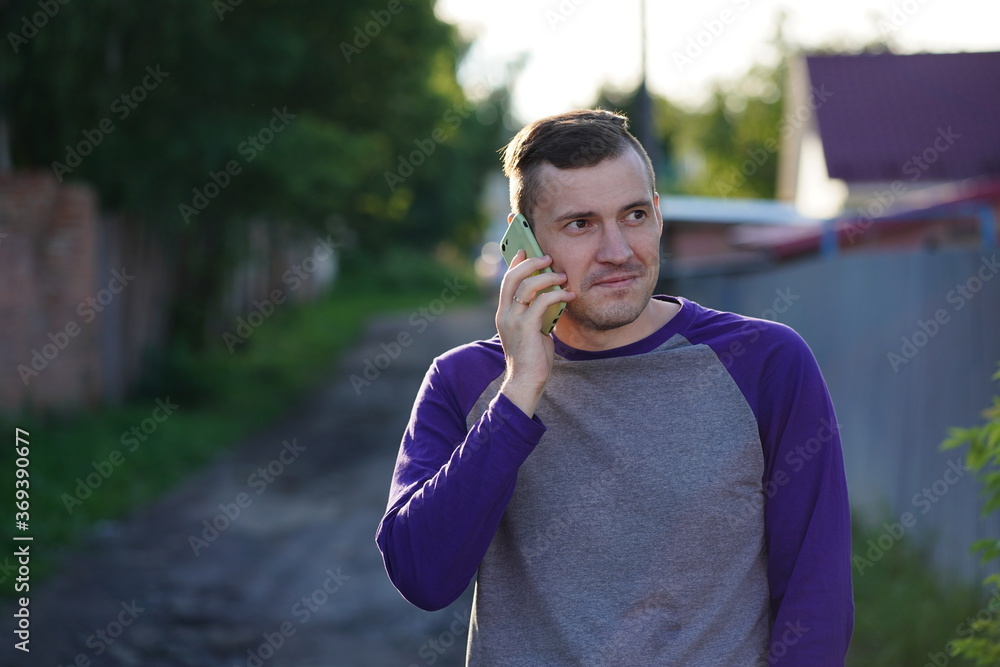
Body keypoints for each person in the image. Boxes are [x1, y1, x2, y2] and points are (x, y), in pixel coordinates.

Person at [376, 109, 854, 665]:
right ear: (522, 242)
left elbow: (816, 598)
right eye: (580, 224)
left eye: (633, 215)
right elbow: (423, 576)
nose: (618, 251)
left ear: (658, 214)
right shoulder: (464, 382)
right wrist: (520, 387)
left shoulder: (766, 362)